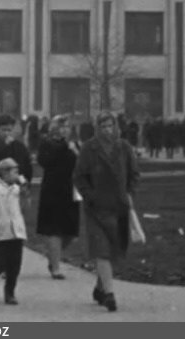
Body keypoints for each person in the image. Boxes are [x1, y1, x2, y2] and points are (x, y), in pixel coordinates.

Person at [73, 111, 140, 313]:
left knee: (115, 251)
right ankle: (110, 295)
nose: (107, 130)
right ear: (97, 128)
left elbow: (134, 174)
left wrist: (129, 193)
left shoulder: (124, 147)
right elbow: (79, 177)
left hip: (119, 206)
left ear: (116, 127)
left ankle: (101, 287)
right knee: (101, 249)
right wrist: (90, 196)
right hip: (96, 208)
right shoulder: (89, 148)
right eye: (103, 126)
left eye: (110, 126)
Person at [36, 116, 81, 279]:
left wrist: (76, 151)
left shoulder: (74, 144)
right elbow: (45, 161)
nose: (65, 130)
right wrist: (63, 147)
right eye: (61, 126)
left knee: (71, 232)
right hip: (52, 190)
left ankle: (53, 256)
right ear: (54, 128)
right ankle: (55, 267)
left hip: (71, 190)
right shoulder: (47, 143)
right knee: (54, 229)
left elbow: (82, 163)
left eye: (67, 127)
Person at [0, 158, 28, 305]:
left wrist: (25, 193)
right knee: (0, 261)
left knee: (15, 265)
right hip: (1, 230)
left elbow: (24, 208)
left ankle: (10, 292)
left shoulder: (17, 189)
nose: (17, 175)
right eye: (15, 172)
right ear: (4, 173)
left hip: (17, 230)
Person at [0, 115, 33, 187]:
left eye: (9, 130)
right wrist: (3, 145)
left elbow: (26, 166)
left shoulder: (19, 146)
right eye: (3, 130)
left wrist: (25, 181)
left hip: (16, 186)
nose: (6, 133)